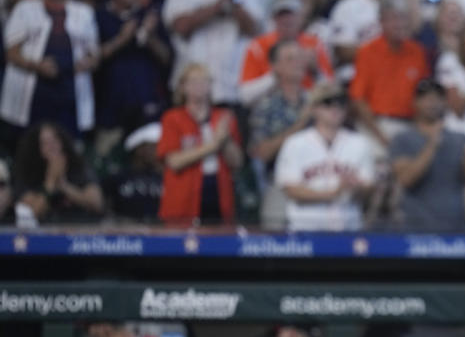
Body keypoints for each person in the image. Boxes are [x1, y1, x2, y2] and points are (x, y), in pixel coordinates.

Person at [1, 0, 99, 139]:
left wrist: (84, 64)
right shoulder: (24, 9)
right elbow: (11, 53)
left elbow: (94, 54)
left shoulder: (84, 12)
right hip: (33, 93)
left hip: (70, 91)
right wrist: (38, 66)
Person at [161, 0, 264, 107]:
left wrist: (234, 3)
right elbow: (180, 26)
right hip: (190, 88)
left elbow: (254, 29)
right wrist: (217, 7)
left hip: (233, 87)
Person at [274, 82, 375, 231]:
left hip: (348, 229)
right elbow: (291, 189)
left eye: (340, 103)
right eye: (327, 103)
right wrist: (333, 193)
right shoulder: (295, 143)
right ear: (313, 109)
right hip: (305, 230)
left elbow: (368, 186)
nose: (335, 108)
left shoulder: (360, 143)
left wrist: (356, 189)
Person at [389, 78, 465, 231]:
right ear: (415, 102)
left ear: (445, 103)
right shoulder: (402, 139)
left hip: (455, 225)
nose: (432, 102)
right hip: (415, 226)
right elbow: (406, 179)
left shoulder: (460, 138)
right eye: (425, 97)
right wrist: (432, 144)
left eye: (437, 97)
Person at [156, 63, 244, 225]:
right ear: (183, 87)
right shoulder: (173, 118)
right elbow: (174, 162)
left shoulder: (223, 117)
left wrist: (225, 140)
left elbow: (237, 162)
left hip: (218, 193)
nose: (199, 86)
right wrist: (213, 146)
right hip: (184, 199)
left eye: (204, 81)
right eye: (194, 81)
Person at [94, 0, 170, 137]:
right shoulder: (98, 16)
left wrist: (149, 37)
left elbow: (167, 58)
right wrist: (121, 40)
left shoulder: (150, 16)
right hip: (109, 106)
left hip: (147, 103)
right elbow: (91, 59)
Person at [349, 0, 429, 150]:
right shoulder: (367, 52)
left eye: (403, 18)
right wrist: (382, 138)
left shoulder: (417, 52)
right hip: (376, 125)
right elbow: (358, 99)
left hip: (410, 125)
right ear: (381, 22)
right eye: (393, 19)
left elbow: (423, 95)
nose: (399, 24)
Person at [248, 39, 313, 228]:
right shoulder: (265, 105)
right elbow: (261, 152)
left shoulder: (317, 101)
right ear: (275, 67)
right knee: (273, 240)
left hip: (318, 183)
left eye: (301, 58)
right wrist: (299, 126)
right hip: (280, 184)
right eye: (290, 59)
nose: (298, 63)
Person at [238, 0, 334, 107]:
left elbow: (332, 90)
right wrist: (276, 74)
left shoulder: (314, 44)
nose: (286, 20)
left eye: (290, 14)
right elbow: (245, 96)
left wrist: (316, 71)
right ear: (273, 19)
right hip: (268, 108)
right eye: (281, 15)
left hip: (309, 107)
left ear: (300, 16)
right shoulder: (258, 46)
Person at [13, 122, 103, 224]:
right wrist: (50, 182)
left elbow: (97, 203)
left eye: (55, 140)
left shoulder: (78, 167)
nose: (52, 147)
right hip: (42, 233)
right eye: (45, 143)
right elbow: (32, 213)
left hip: (81, 230)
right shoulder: (27, 174)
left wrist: (64, 186)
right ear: (36, 149)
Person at [104, 122, 165, 221]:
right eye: (154, 147)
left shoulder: (164, 177)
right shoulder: (118, 178)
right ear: (139, 149)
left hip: (159, 231)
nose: (159, 151)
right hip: (124, 230)